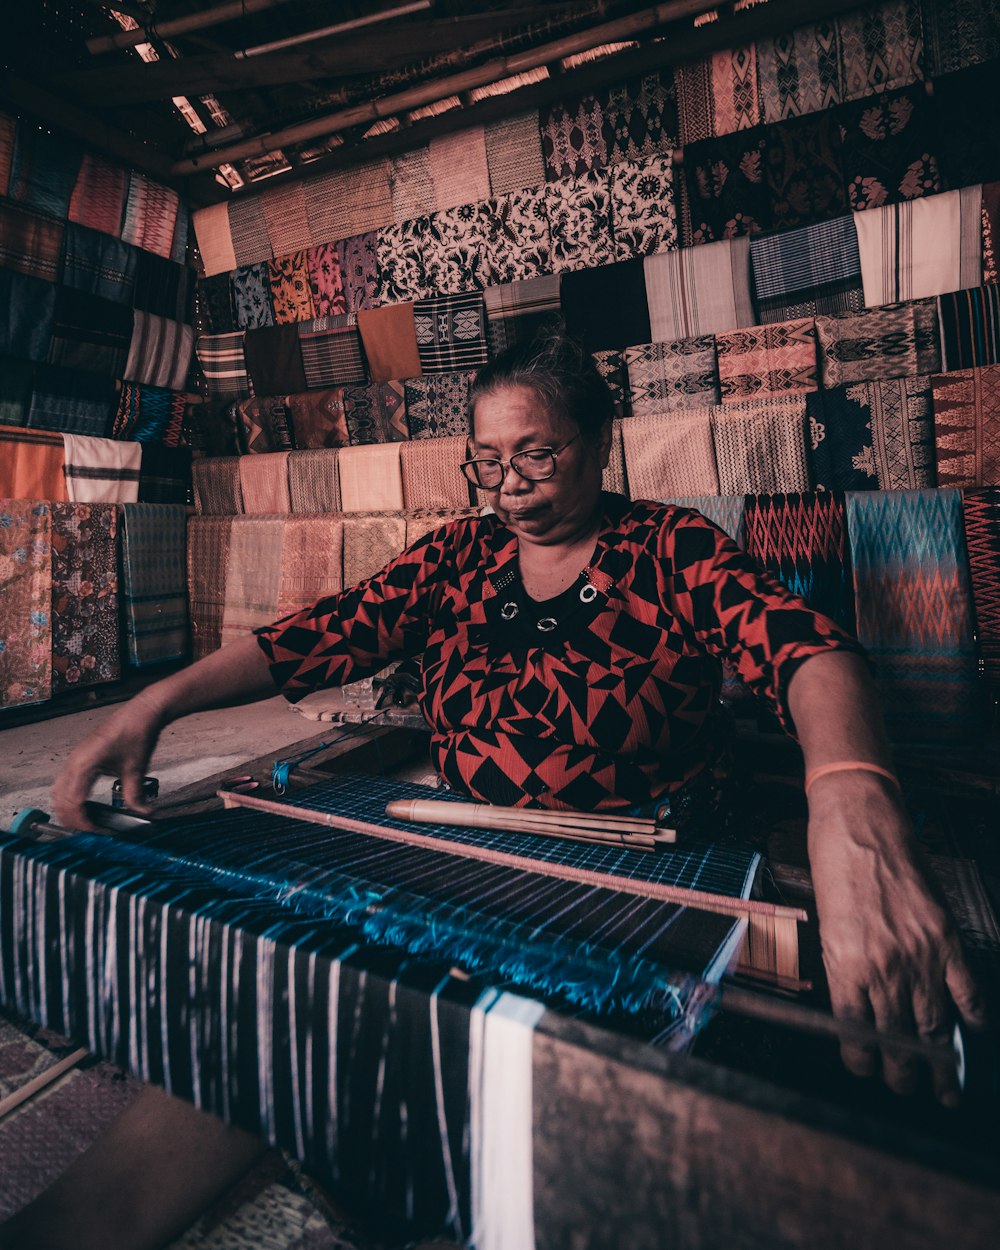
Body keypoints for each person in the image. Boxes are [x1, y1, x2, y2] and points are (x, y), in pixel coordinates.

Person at [5, 332, 982, 1249]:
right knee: (291, 1002)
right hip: (467, 867)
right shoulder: (455, 560)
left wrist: (852, 802)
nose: (510, 484)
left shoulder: (670, 550)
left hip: (640, 889)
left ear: (601, 443)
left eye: (539, 453)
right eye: (488, 457)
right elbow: (312, 634)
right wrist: (154, 705)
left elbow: (806, 650)